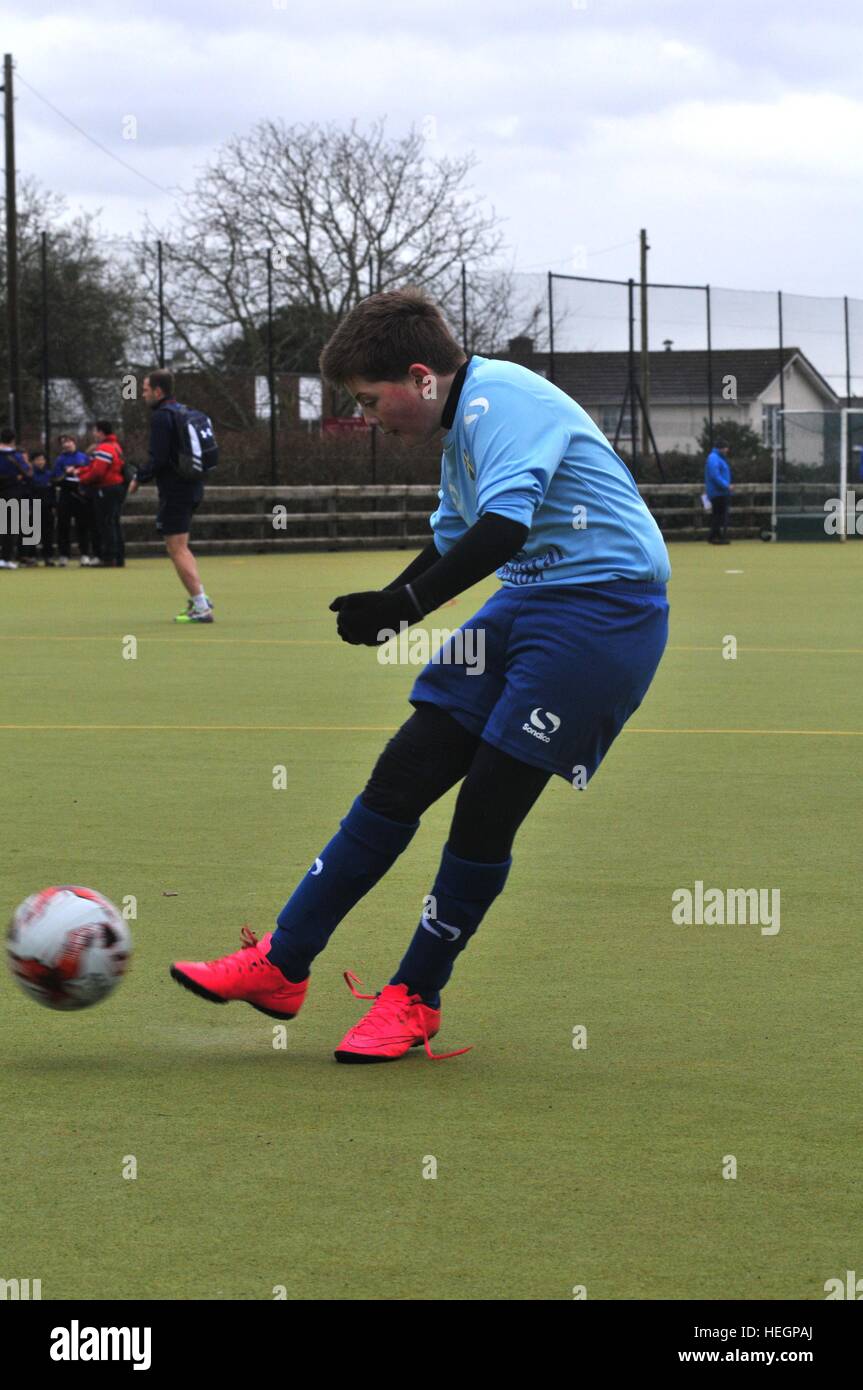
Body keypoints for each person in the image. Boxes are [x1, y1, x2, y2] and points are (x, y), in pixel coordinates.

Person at [171, 287, 671, 1065]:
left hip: (604, 615)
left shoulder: (498, 403)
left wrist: (404, 605)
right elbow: (457, 539)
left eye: (372, 401)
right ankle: (283, 961)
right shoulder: (462, 429)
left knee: (483, 810)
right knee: (404, 772)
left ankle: (415, 997)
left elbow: (503, 530)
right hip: (530, 602)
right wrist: (392, 607)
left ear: (420, 376)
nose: (370, 417)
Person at [128, 369, 213, 622]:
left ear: (158, 391)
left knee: (176, 549)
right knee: (182, 547)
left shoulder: (161, 417)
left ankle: (201, 607)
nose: (142, 394)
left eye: (145, 390)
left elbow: (159, 458)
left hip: (176, 490)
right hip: (193, 486)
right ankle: (200, 598)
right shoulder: (184, 412)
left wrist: (138, 478)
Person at [75, 421, 126, 567]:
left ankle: (109, 557)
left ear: (101, 432)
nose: (93, 434)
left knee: (106, 524)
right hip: (116, 487)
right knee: (114, 522)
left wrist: (82, 478)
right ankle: (118, 557)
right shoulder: (115, 446)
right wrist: (83, 471)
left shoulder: (104, 448)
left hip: (106, 488)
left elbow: (98, 472)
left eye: (95, 431)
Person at [55, 435, 97, 566]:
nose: (66, 445)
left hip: (81, 496)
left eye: (68, 442)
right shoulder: (60, 460)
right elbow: (56, 478)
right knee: (63, 526)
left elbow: (89, 474)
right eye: (64, 443)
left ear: (74, 442)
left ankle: (84, 554)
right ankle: (64, 555)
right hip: (66, 495)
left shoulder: (83, 457)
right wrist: (66, 474)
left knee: (83, 526)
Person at [0, 427, 33, 569]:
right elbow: (28, 474)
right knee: (9, 526)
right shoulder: (17, 456)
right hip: (12, 490)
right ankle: (5, 559)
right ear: (13, 440)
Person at [28, 448, 63, 564]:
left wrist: (54, 506)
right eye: (38, 460)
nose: (40, 462)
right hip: (33, 506)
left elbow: (52, 491)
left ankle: (48, 557)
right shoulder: (29, 474)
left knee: (47, 533)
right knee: (33, 533)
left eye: (42, 459)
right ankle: (31, 557)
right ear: (32, 461)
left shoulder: (49, 474)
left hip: (47, 507)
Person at [705, 439, 733, 544]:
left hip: (721, 491)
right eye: (726, 447)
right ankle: (714, 536)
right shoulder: (714, 458)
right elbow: (714, 475)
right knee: (718, 515)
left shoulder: (718, 458)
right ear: (721, 448)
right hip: (717, 492)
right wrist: (726, 485)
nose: (727, 450)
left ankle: (717, 535)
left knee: (719, 515)